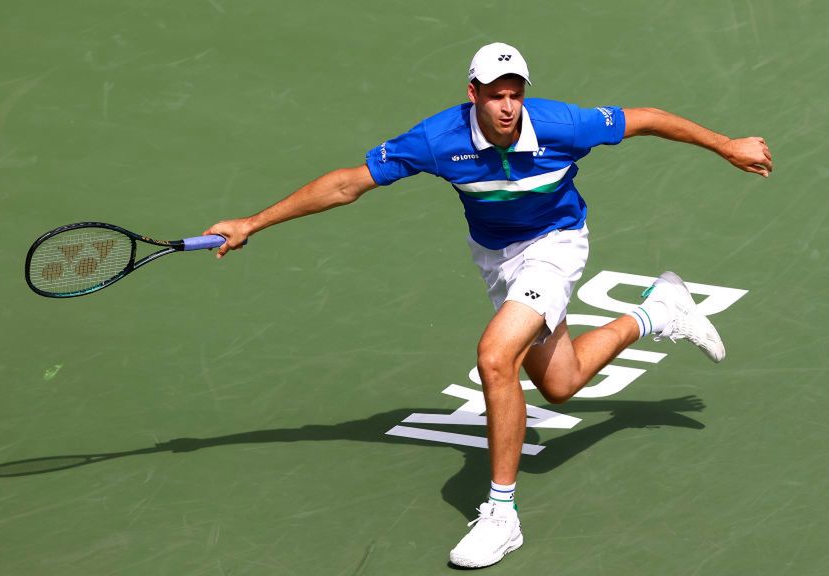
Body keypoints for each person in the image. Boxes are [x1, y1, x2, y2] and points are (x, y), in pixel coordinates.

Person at [203, 42, 773, 568]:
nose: (506, 107)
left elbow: (644, 119)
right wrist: (251, 223)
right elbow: (348, 184)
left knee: (495, 357)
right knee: (561, 382)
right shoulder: (436, 139)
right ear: (472, 94)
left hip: (555, 244)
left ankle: (502, 514)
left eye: (514, 93)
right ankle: (660, 310)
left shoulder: (562, 125)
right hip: (497, 258)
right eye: (495, 94)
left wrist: (727, 146)